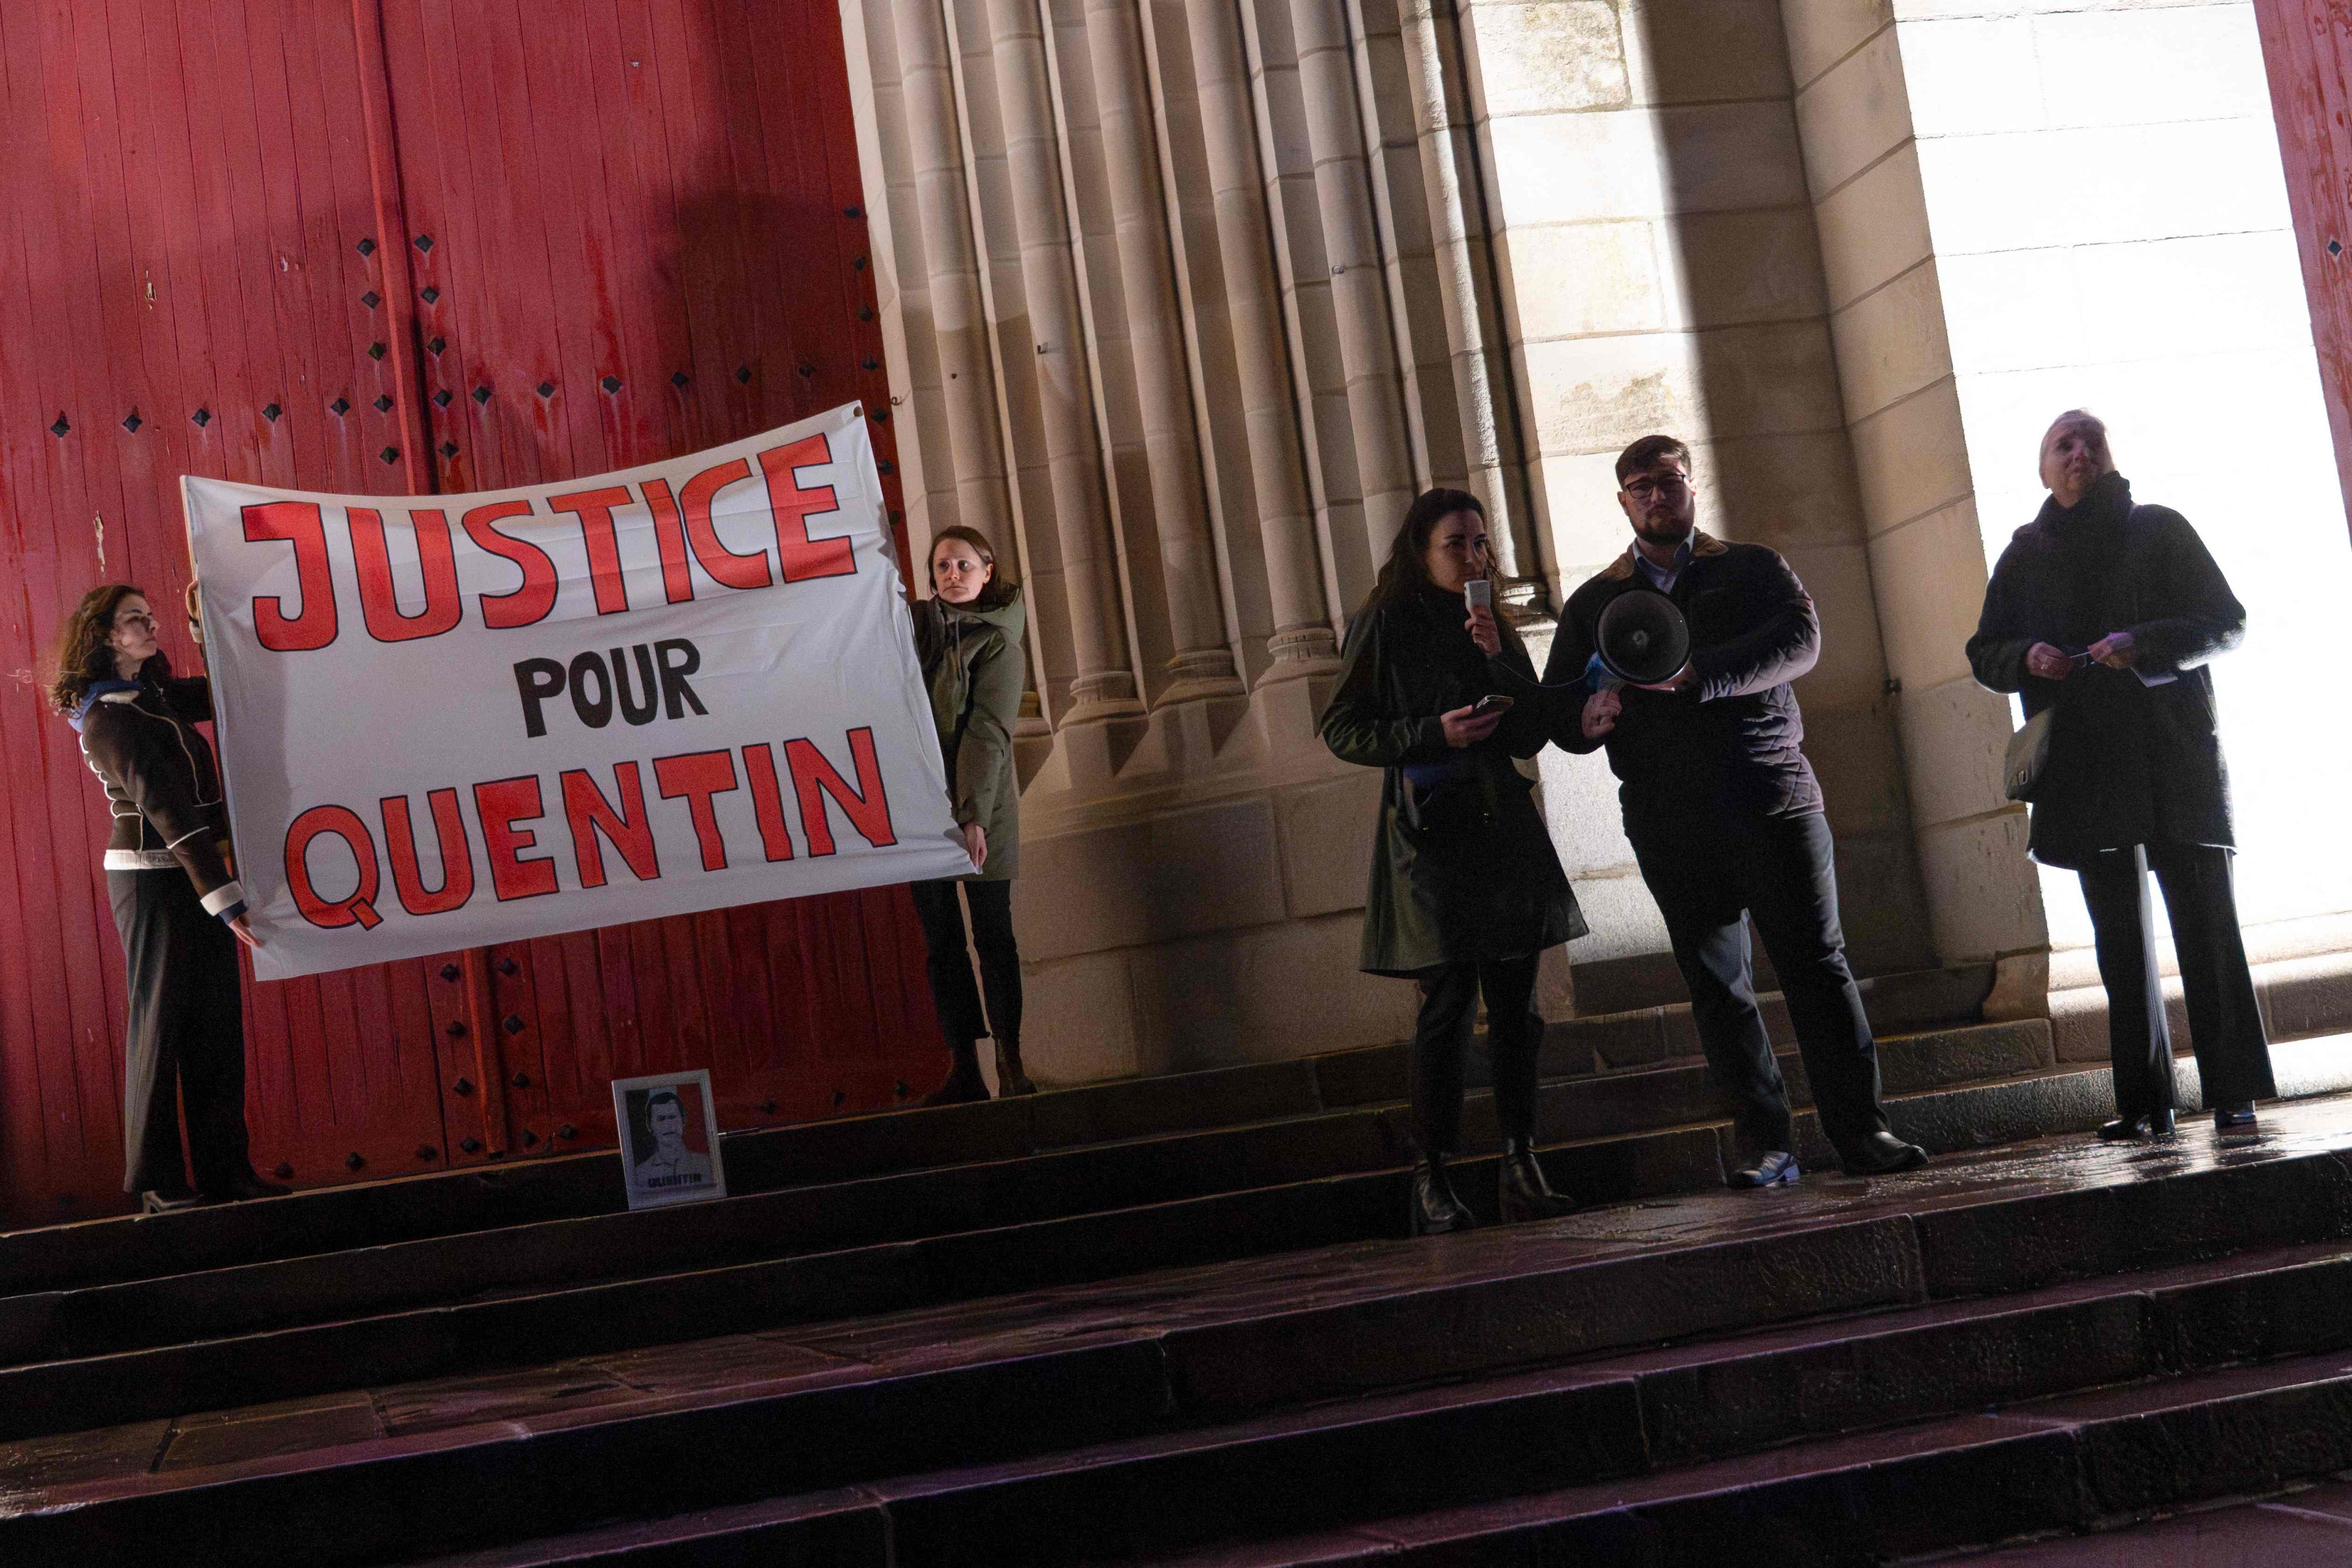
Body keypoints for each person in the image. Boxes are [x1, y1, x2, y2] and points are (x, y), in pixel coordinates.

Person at [1542, 436, 1927, 1186]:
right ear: (1621, 501)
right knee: (1716, 985)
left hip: (1769, 794)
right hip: (1667, 815)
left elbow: (1799, 639)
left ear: (1689, 486)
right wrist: (1582, 722)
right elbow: (1558, 709)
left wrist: (1698, 675)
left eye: (1666, 481)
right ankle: (1764, 1144)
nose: (1655, 496)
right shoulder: (1593, 602)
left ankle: (1862, 1132)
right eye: (1638, 486)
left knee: (1815, 965)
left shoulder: (1749, 567)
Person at [1967, 410, 2274, 1137]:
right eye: (2062, 445)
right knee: (2119, 945)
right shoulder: (2022, 554)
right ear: (2043, 469)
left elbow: (2227, 622)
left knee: (2206, 927)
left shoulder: (2159, 528)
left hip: (2172, 756)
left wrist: (2143, 642)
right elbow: (1985, 650)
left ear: (2110, 458)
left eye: (2091, 442)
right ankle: (2145, 1105)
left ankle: (2233, 1093)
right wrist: (2026, 658)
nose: (2079, 453)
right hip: (2083, 766)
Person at [1320, 488, 1587, 1234]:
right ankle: (1431, 1173)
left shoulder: (1490, 624)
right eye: (1455, 543)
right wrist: (1434, 730)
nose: (1473, 556)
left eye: (1480, 543)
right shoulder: (1384, 622)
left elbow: (1531, 729)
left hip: (1500, 826)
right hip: (1431, 835)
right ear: (1419, 549)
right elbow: (1342, 727)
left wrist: (1497, 658)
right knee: (1444, 1007)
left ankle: (1518, 1158)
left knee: (1516, 1008)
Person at [51, 581, 284, 1212]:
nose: (150, 628)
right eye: (135, 621)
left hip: (194, 873)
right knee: (162, 1023)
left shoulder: (152, 696)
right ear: (104, 636)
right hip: (152, 881)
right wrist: (225, 896)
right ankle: (157, 1182)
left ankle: (225, 1171)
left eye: (151, 618)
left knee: (214, 1024)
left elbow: (226, 692)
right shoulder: (107, 716)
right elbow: (167, 808)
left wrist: (203, 623)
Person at [909, 526, 1037, 1104]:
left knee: (994, 937)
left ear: (989, 570)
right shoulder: (914, 635)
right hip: (922, 807)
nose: (952, 576)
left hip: (982, 811)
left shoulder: (999, 642)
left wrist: (974, 818)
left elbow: (988, 732)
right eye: (942, 567)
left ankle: (1011, 1064)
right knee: (942, 942)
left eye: (963, 565)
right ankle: (965, 1068)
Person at [631, 1088, 715, 1189]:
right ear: (650, 1126)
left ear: (683, 1121)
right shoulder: (639, 1175)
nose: (668, 1124)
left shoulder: (709, 1165)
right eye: (661, 1119)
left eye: (672, 1117)